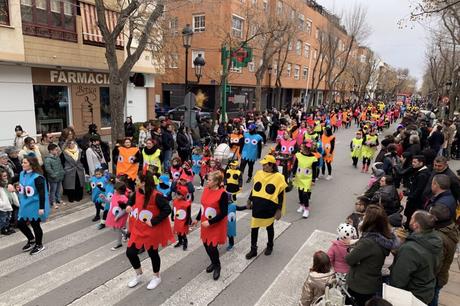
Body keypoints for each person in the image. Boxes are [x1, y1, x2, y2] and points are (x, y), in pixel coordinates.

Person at [125, 172, 174, 290]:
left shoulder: (157, 195)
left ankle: (156, 277)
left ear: (143, 182)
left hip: (151, 229)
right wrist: (128, 205)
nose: (135, 182)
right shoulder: (138, 192)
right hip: (138, 228)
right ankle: (139, 274)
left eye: (137, 180)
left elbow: (167, 209)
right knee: (130, 252)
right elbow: (131, 201)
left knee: (152, 253)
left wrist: (154, 221)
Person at [346, 205, 398, 306]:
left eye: (365, 215)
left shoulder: (368, 242)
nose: (363, 217)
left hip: (359, 285)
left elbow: (349, 259)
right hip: (372, 282)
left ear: (370, 221)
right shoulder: (385, 237)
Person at [390, 210, 443, 304]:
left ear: (416, 225)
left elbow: (398, 280)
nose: (409, 221)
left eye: (411, 219)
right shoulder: (436, 240)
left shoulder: (410, 249)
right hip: (427, 291)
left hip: (411, 296)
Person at [246, 154, 287, 259]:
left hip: (269, 207)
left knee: (269, 227)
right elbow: (254, 188)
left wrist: (279, 210)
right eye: (263, 165)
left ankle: (270, 246)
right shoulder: (259, 174)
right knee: (254, 228)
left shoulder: (278, 177)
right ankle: (253, 249)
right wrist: (249, 200)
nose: (263, 167)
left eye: (265, 165)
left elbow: (280, 195)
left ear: (271, 165)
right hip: (257, 206)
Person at [196, 171, 228, 281]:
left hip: (215, 224)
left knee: (212, 247)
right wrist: (196, 219)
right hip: (205, 223)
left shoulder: (222, 194)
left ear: (216, 182)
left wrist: (210, 222)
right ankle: (213, 262)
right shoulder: (206, 190)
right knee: (205, 244)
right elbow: (202, 206)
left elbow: (224, 213)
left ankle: (217, 266)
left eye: (209, 180)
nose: (207, 181)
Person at [17, 155, 50, 255]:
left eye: (25, 163)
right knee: (20, 223)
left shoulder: (38, 177)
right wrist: (10, 184)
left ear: (31, 164)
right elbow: (12, 179)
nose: (22, 164)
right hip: (25, 204)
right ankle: (31, 240)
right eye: (22, 162)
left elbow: (42, 194)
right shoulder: (22, 173)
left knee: (35, 225)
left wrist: (41, 207)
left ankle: (39, 245)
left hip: (35, 205)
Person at [428, 205, 459, 306]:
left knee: (432, 300)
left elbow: (436, 263)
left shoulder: (439, 239)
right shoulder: (450, 228)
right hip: (442, 275)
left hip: (436, 278)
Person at [292, 142, 318, 218]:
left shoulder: (313, 158)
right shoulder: (298, 155)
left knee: (305, 194)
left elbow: (314, 170)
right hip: (299, 177)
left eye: (302, 147)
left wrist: (313, 180)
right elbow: (295, 166)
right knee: (300, 192)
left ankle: (306, 209)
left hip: (307, 179)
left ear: (307, 149)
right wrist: (293, 175)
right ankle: (301, 205)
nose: (301, 148)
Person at [404, 155, 430, 228]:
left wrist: (410, 196)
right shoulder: (420, 171)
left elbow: (419, 189)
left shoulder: (422, 175)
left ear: (421, 163)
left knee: (411, 215)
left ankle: (409, 227)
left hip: (415, 201)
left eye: (415, 162)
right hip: (415, 199)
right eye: (412, 162)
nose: (412, 163)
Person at [105, 181, 130, 251]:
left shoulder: (124, 198)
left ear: (120, 190)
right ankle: (126, 234)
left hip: (120, 216)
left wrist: (118, 216)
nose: (114, 190)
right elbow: (110, 201)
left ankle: (119, 243)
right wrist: (104, 198)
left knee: (118, 229)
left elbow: (125, 209)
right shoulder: (115, 194)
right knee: (115, 228)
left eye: (116, 189)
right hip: (114, 215)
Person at [44, 143, 65, 209]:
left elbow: (60, 165)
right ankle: (53, 201)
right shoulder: (47, 159)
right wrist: (53, 174)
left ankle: (58, 199)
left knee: (59, 189)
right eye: (56, 150)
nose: (57, 151)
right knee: (53, 190)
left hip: (59, 176)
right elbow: (48, 169)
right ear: (51, 151)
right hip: (53, 178)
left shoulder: (57, 157)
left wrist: (62, 172)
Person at [172, 185, 191, 251]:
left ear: (183, 196)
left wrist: (187, 221)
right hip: (177, 220)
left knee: (183, 233)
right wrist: (172, 215)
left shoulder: (187, 204)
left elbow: (188, 213)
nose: (177, 196)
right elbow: (173, 208)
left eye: (179, 195)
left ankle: (185, 243)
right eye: (177, 194)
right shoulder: (175, 201)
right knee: (178, 232)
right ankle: (180, 242)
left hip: (183, 221)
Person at [0, 169, 18, 235]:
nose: (6, 177)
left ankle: (7, 227)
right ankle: (3, 229)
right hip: (3, 206)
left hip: (9, 203)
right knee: (3, 218)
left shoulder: (7, 183)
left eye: (6, 176)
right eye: (4, 176)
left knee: (8, 217)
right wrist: (2, 204)